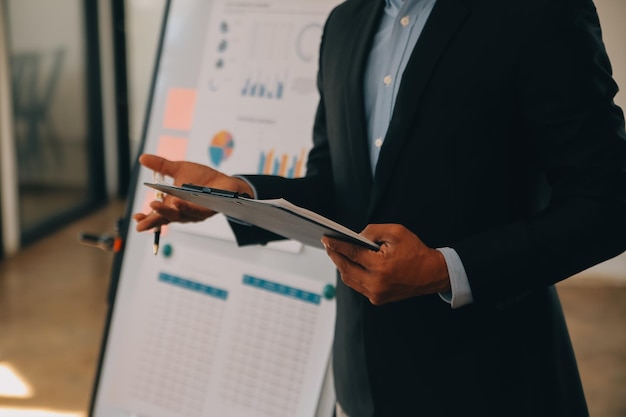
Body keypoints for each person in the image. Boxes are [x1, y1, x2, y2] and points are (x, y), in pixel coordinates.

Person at [134, 0, 626, 415]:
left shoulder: (536, 12)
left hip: (494, 381)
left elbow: (609, 202)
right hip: (363, 378)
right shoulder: (345, 23)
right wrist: (236, 194)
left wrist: (445, 270)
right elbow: (340, 186)